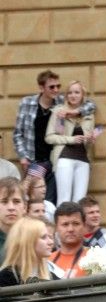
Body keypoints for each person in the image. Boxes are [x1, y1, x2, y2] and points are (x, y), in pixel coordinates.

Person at [13, 70, 96, 203]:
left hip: (54, 160)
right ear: (41, 88)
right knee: (31, 198)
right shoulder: (27, 103)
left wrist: (74, 111)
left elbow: (91, 105)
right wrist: (22, 157)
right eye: (52, 87)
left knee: (51, 201)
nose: (56, 90)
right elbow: (17, 134)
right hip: (35, 160)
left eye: (58, 86)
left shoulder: (61, 102)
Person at [45, 81, 97, 205]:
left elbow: (87, 143)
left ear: (82, 95)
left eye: (77, 92)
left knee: (80, 202)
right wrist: (71, 139)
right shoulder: (60, 112)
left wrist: (90, 140)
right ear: (66, 95)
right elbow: (49, 137)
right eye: (70, 93)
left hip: (83, 160)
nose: (73, 95)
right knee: (64, 200)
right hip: (64, 158)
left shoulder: (89, 114)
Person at [0, 217, 55, 288]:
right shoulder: (5, 278)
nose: (51, 242)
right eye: (43, 237)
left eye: (50, 237)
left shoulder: (51, 277)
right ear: (28, 242)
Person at [49, 201, 89, 278]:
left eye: (76, 223)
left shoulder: (96, 259)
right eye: (65, 224)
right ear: (56, 227)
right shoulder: (48, 261)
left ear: (84, 225)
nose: (70, 229)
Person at [0, 177, 27, 262]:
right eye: (4, 202)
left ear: (25, 207)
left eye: (16, 201)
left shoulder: (35, 239)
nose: (11, 207)